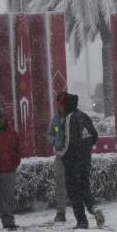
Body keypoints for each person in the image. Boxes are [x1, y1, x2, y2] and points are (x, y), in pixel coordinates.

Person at [60, 92, 104, 229]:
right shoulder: (83, 116)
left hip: (72, 161)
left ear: (66, 105)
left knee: (74, 191)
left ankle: (81, 221)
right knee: (85, 187)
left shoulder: (70, 118)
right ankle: (94, 208)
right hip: (85, 160)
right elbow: (94, 135)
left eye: (61, 105)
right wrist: (86, 149)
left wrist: (61, 153)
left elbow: (68, 142)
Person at [47, 92, 69, 222]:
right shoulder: (55, 119)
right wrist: (55, 142)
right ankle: (61, 212)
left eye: (63, 104)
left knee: (75, 184)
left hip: (72, 156)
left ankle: (82, 210)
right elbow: (50, 133)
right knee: (60, 185)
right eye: (59, 104)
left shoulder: (73, 117)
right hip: (60, 157)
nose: (61, 107)